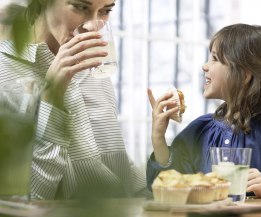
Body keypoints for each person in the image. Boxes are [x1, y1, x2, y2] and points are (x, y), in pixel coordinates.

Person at [147, 23, 261, 198]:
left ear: (245, 75)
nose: (204, 66)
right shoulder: (200, 129)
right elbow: (172, 182)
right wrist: (158, 137)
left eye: (215, 59)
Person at [0, 0, 149, 199]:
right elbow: (27, 200)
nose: (92, 25)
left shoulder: (95, 68)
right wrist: (53, 95)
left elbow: (115, 164)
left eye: (105, 11)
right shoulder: (5, 74)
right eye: (80, 7)